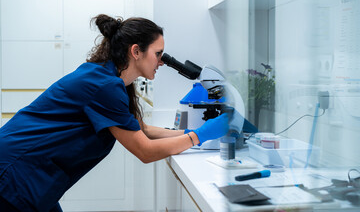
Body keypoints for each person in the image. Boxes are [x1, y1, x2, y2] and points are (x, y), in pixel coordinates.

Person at [0, 14, 229, 212]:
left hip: (31, 174)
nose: (161, 62)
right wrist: (199, 136)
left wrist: (188, 132)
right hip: (15, 174)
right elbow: (145, 151)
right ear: (136, 51)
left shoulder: (110, 79)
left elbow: (143, 130)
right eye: (158, 54)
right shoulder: (105, 86)